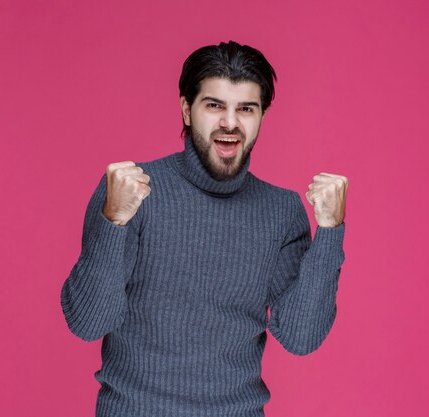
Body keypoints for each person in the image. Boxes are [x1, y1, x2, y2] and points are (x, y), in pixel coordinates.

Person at [61, 40, 348, 417]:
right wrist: (113, 221)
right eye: (214, 106)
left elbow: (300, 337)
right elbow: (87, 322)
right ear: (186, 109)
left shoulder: (281, 211)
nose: (230, 123)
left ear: (262, 115)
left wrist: (330, 231)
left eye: (246, 108)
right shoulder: (132, 191)